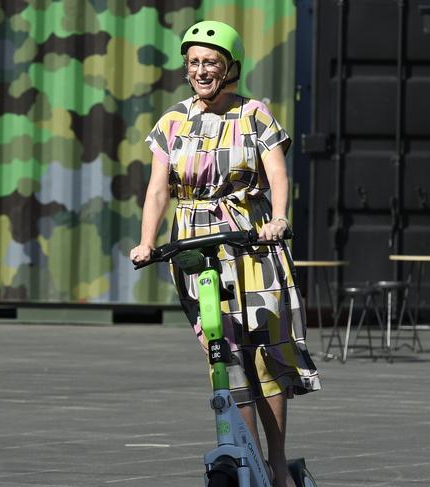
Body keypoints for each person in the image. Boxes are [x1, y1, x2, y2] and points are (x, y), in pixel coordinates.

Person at [129, 20, 321, 487]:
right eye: (193, 62)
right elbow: (158, 190)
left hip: (253, 240)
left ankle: (276, 464)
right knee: (225, 353)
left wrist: (278, 218)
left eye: (210, 61)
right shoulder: (171, 122)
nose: (200, 70)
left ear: (230, 67)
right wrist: (147, 240)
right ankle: (246, 457)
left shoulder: (254, 113)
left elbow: (276, 173)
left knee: (265, 353)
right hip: (194, 242)